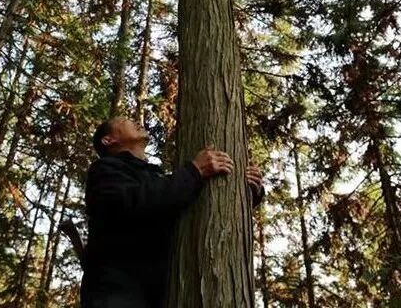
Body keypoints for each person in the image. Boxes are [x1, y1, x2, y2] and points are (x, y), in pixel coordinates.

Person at [80, 117, 264, 308]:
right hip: (116, 292)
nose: (135, 121)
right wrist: (194, 171)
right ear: (108, 140)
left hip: (159, 296)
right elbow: (135, 202)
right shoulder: (104, 170)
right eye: (124, 120)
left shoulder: (153, 177)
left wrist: (246, 192)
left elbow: (188, 209)